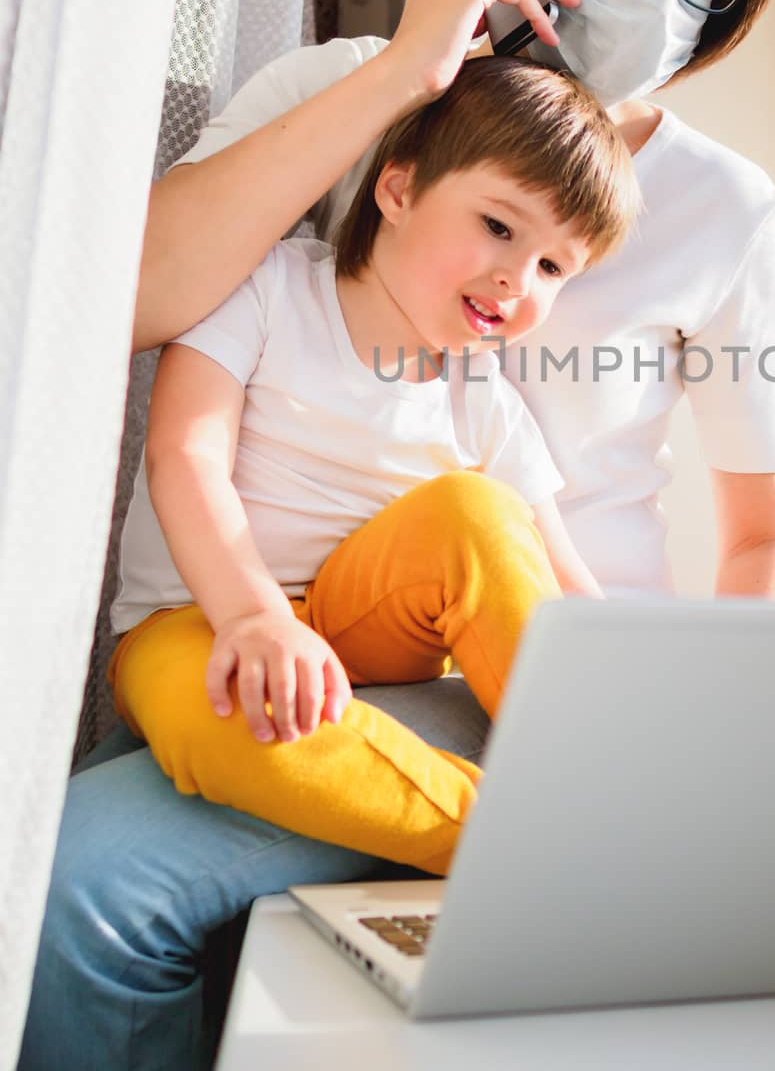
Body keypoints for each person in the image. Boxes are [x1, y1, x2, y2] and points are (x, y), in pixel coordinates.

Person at [12, 0, 775, 1071]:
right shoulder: (349, 94)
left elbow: (761, 540)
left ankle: (619, 831)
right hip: (302, 632)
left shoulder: (728, 212)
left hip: (544, 682)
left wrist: (713, 748)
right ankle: (592, 853)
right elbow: (120, 309)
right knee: (82, 889)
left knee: (481, 549)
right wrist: (406, 67)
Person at [107, 55, 638, 870]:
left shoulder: (482, 393)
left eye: (552, 268)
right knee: (223, 727)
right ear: (397, 191)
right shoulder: (268, 287)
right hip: (198, 618)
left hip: (370, 626)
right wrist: (255, 618)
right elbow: (185, 453)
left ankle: (617, 774)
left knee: (480, 511)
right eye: (499, 227)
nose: (515, 278)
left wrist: (650, 695)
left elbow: (560, 582)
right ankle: (529, 846)